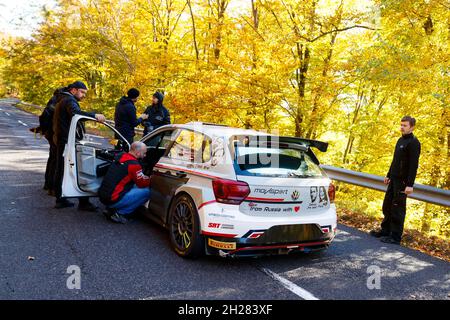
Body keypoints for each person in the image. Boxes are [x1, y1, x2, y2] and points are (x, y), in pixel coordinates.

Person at [52, 81, 106, 210]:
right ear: (73, 90)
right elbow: (76, 114)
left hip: (62, 139)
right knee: (81, 168)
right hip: (67, 141)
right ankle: (83, 202)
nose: (83, 95)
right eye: (82, 92)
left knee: (63, 169)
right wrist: (94, 115)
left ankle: (61, 198)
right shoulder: (69, 101)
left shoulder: (63, 99)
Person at [370, 116, 421, 245]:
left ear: (412, 127)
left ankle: (395, 236)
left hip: (403, 182)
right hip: (393, 179)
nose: (402, 127)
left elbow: (413, 165)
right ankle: (385, 230)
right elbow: (395, 160)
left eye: (405, 125)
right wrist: (388, 174)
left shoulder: (414, 143)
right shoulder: (400, 140)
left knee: (397, 209)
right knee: (387, 205)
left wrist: (410, 184)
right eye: (401, 125)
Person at [99, 142, 151, 223]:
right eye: (144, 153)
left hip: (103, 196)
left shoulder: (120, 156)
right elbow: (142, 183)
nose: (145, 156)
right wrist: (150, 179)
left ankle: (110, 209)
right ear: (137, 153)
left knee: (132, 184)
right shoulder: (134, 165)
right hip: (113, 200)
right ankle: (121, 213)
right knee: (147, 192)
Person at [39, 87, 66, 195]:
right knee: (56, 160)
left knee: (52, 158)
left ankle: (48, 184)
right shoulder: (57, 102)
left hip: (50, 133)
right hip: (54, 133)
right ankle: (52, 187)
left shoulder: (53, 100)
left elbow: (44, 117)